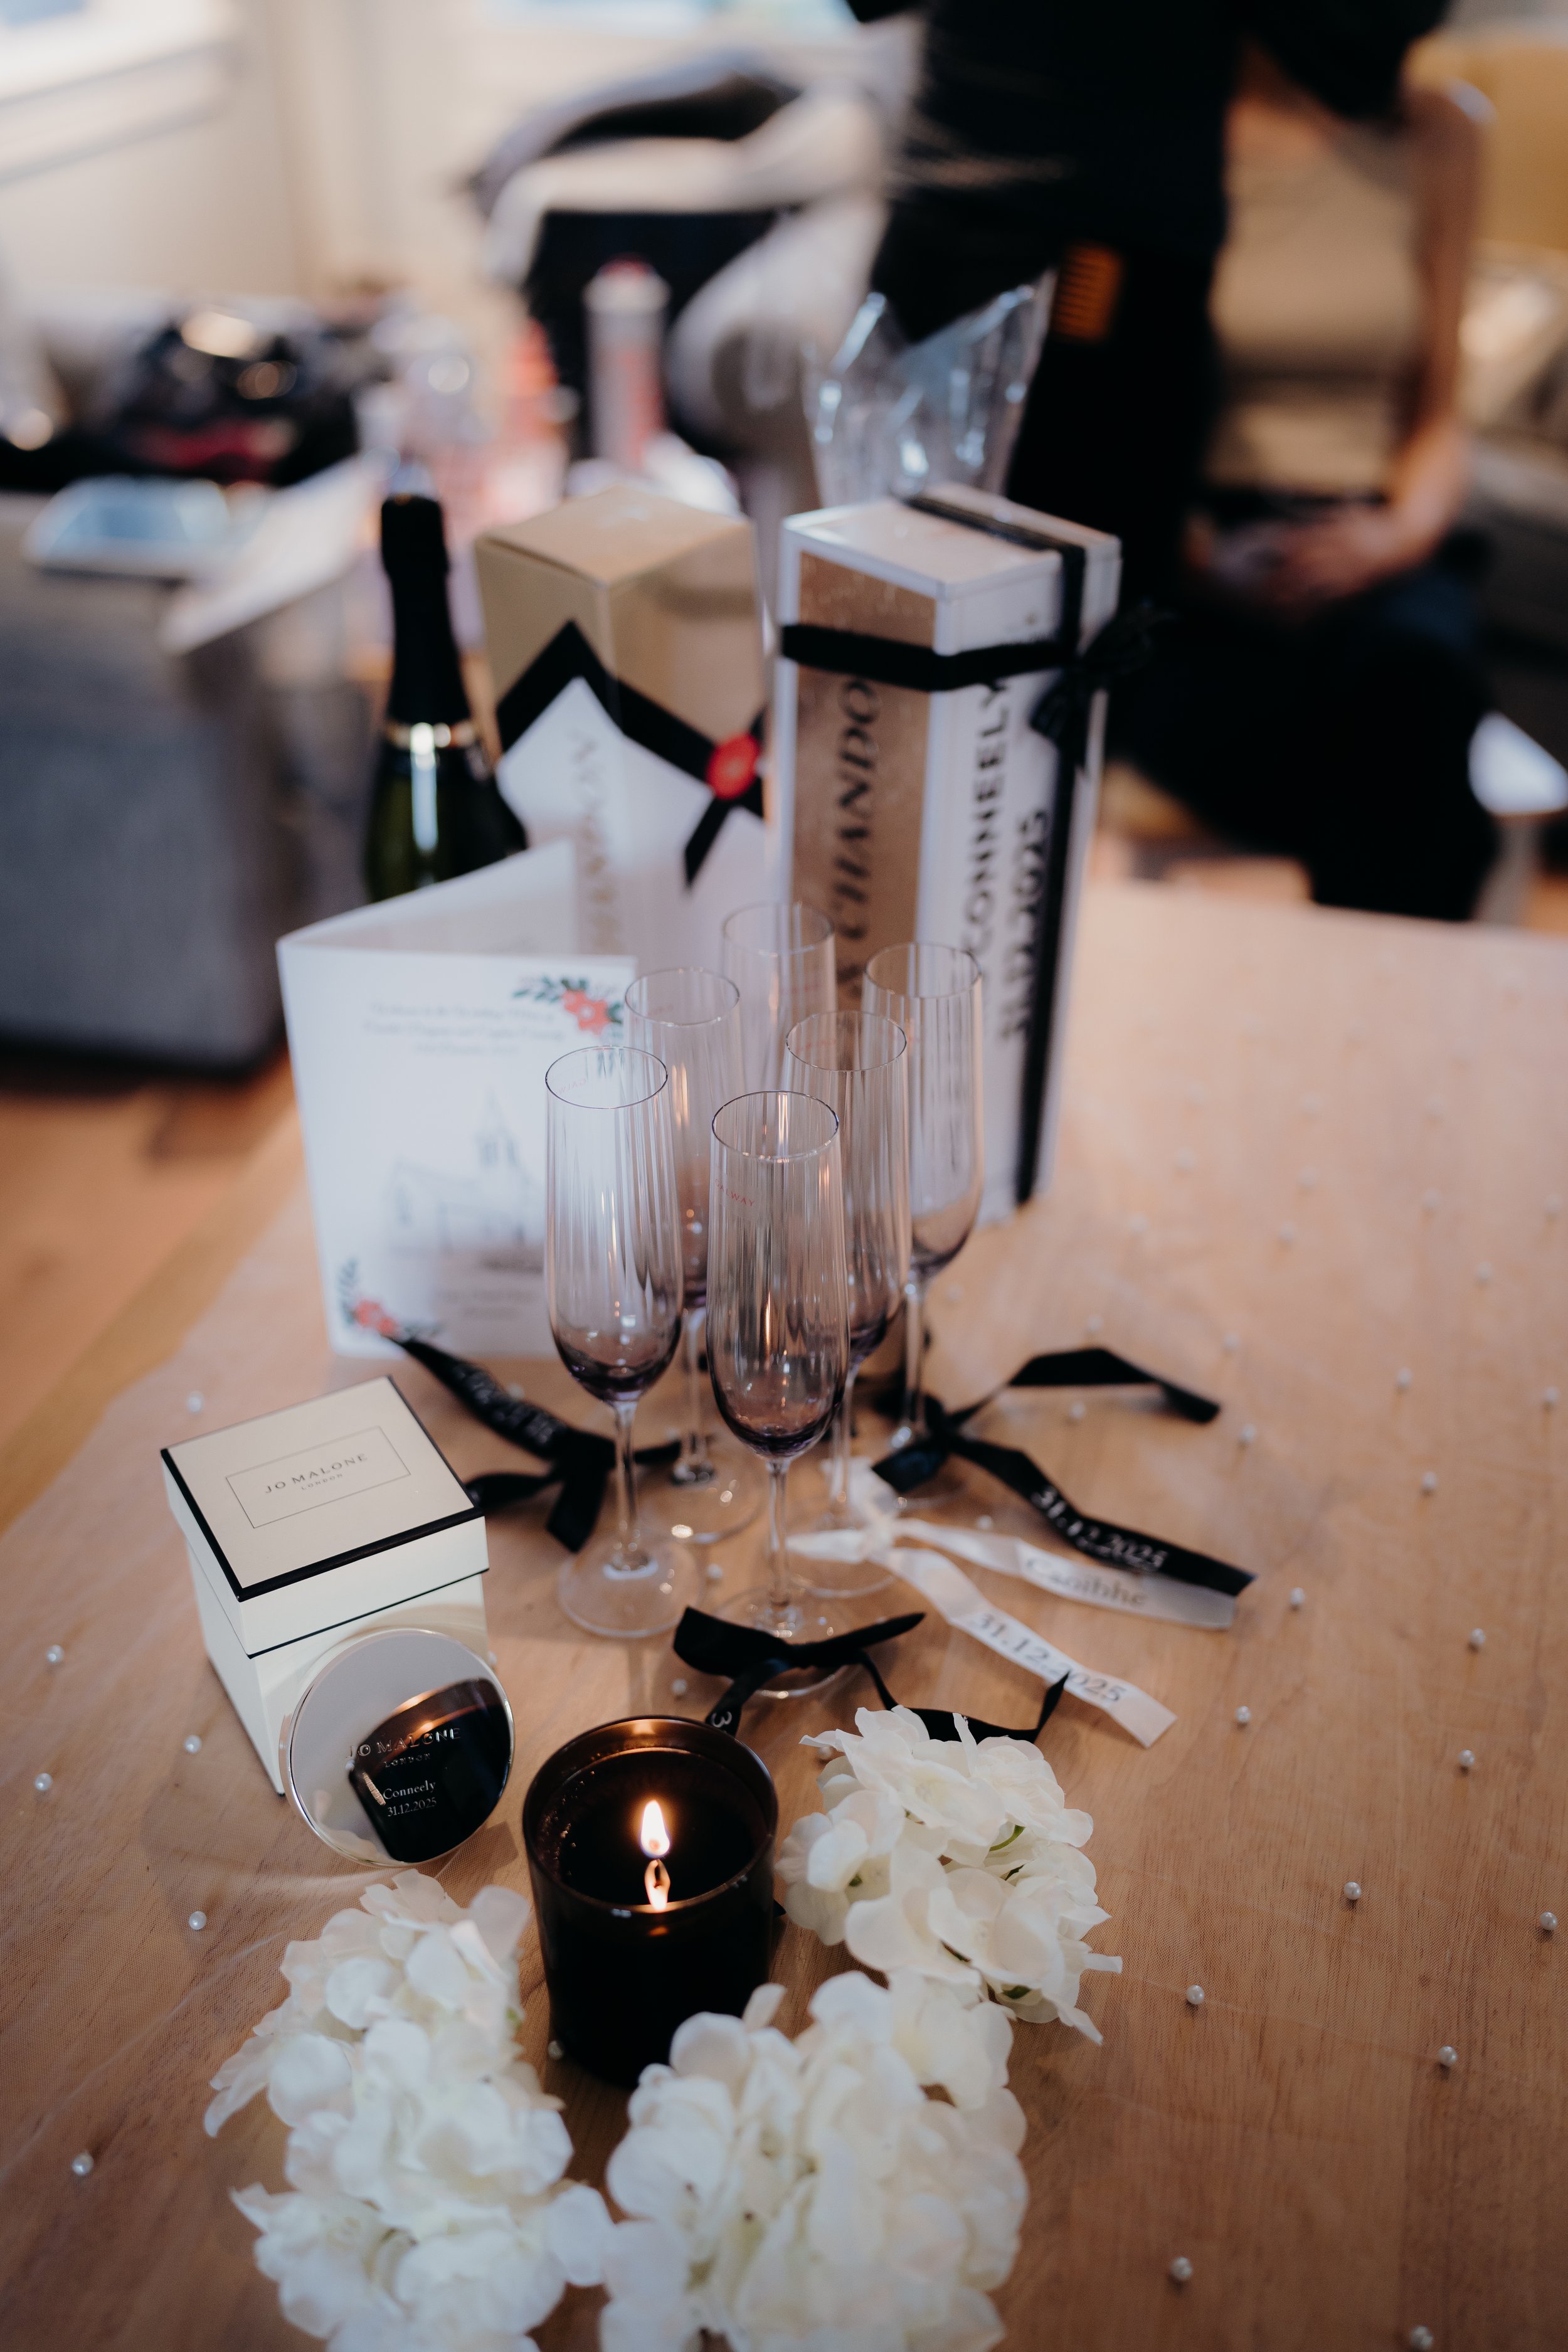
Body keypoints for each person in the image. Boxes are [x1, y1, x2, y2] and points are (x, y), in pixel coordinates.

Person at [844, 1, 1448, 601]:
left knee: (1096, 637)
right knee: (904, 625)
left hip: (1123, 271)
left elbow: (1373, 48)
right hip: (967, 246)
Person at [1114, 41, 1498, 919]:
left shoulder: (1441, 130)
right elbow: (1113, 413)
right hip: (1202, 551)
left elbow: (1439, 413)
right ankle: (1392, 1006)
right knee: (1391, 777)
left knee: (1415, 681)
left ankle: (1355, 1004)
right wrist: (1203, 560)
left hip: (1377, 537)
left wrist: (1397, 536)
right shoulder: (1159, 125)